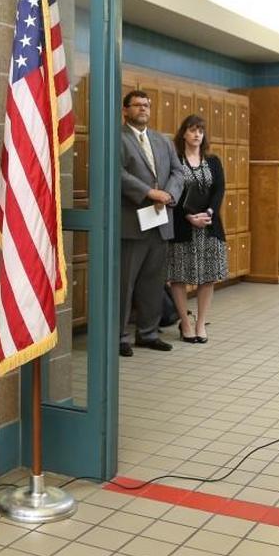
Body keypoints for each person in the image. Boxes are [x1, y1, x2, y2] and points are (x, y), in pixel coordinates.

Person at [119, 90, 181, 357]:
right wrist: (148, 192)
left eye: (146, 105)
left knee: (153, 283)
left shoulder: (163, 140)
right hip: (132, 224)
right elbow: (117, 173)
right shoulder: (117, 138)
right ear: (125, 110)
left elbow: (178, 172)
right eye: (137, 105)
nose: (143, 108)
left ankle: (148, 333)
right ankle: (119, 337)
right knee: (125, 284)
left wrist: (169, 194)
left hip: (160, 221)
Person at [167, 114, 226, 344]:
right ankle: (185, 322)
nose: (197, 134)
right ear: (184, 133)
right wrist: (188, 216)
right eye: (192, 130)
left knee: (208, 276)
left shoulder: (213, 161)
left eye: (200, 130)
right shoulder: (175, 161)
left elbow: (219, 190)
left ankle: (201, 323)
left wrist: (209, 213)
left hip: (209, 227)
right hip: (183, 226)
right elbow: (172, 190)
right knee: (179, 277)